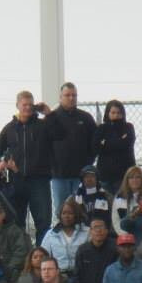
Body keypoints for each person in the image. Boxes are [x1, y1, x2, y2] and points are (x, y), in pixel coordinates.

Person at [0, 90, 65, 243]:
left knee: (43, 222)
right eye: (24, 105)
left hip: (39, 181)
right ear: (18, 105)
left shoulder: (43, 125)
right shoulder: (10, 128)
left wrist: (49, 114)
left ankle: (41, 256)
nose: (28, 108)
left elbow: (60, 134)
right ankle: (23, 258)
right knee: (17, 221)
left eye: (31, 105)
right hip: (17, 181)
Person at [48, 83, 97, 225]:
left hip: (81, 177)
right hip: (59, 176)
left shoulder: (86, 118)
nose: (71, 98)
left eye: (74, 95)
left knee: (83, 211)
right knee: (61, 212)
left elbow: (94, 144)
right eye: (67, 95)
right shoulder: (52, 118)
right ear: (60, 97)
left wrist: (88, 164)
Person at [93, 100, 136, 195]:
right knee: (106, 205)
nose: (116, 115)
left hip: (123, 175)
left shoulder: (128, 127)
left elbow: (127, 144)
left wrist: (105, 143)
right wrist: (119, 141)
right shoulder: (102, 128)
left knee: (122, 204)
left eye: (119, 113)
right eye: (113, 112)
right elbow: (96, 147)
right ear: (107, 113)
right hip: (105, 175)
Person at [73, 219, 118, 283]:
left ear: (106, 231)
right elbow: (77, 276)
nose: (98, 230)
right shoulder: (82, 250)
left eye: (101, 227)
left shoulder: (115, 249)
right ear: (90, 232)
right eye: (95, 227)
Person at [41, 199, 88, 277]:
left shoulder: (87, 232)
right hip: (58, 277)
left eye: (70, 213)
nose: (66, 216)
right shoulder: (51, 234)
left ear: (76, 214)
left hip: (82, 275)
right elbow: (44, 257)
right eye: (64, 213)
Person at [70, 165, 112, 231]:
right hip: (80, 231)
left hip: (100, 231)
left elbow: (112, 216)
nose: (89, 179)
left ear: (97, 178)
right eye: (86, 176)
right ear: (82, 179)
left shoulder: (107, 196)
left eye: (92, 176)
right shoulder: (74, 197)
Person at [112, 167, 142, 237]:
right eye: (131, 177)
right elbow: (115, 220)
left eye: (137, 177)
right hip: (124, 236)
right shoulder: (118, 198)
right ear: (127, 180)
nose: (134, 180)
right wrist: (124, 235)